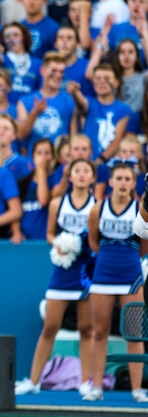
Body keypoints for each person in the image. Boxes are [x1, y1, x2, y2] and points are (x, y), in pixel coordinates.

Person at [15, 158, 96, 397]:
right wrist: (60, 244)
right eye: (77, 171)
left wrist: (85, 249)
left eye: (86, 171)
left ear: (92, 178)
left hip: (85, 273)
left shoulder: (96, 206)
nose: (81, 175)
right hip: (62, 272)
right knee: (50, 327)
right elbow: (50, 234)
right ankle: (33, 381)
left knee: (86, 328)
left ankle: (85, 382)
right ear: (69, 177)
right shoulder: (57, 204)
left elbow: (97, 241)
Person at [85, 163, 148, 402]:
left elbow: (145, 243)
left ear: (134, 183)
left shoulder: (141, 209)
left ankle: (137, 388)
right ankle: (96, 386)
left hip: (131, 277)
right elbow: (93, 242)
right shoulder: (97, 210)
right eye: (118, 178)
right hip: (103, 276)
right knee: (99, 331)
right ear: (110, 182)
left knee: (134, 333)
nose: (123, 183)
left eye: (127, 179)